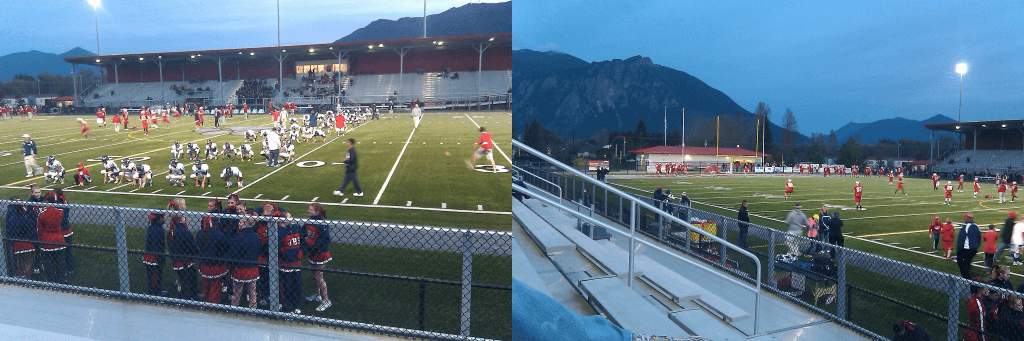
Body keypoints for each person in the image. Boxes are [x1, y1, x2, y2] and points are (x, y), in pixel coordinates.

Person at [227, 205, 261, 308]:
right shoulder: (257, 236)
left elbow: (232, 253)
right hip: (253, 268)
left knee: (237, 292)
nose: (239, 223)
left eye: (241, 222)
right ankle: (252, 309)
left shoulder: (239, 238)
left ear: (246, 223)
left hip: (240, 268)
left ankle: (234, 307)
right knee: (252, 293)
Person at [197, 199, 229, 305]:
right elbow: (224, 248)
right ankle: (212, 306)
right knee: (215, 287)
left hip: (204, 263)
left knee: (205, 285)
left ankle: (205, 303)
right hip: (216, 264)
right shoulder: (219, 235)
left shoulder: (199, 233)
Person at [167, 198, 199, 300]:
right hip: (185, 259)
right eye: (184, 205)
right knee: (187, 280)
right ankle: (186, 298)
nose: (185, 206)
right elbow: (192, 247)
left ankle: (186, 293)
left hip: (176, 258)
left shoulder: (172, 229)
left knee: (185, 277)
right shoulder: (184, 232)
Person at [303, 203, 333, 312]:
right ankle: (317, 295)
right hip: (312, 253)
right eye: (309, 209)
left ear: (317, 212)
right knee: (314, 275)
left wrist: (312, 242)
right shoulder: (309, 221)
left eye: (311, 209)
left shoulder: (321, 224)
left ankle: (326, 300)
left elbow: (326, 240)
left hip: (320, 253)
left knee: (319, 276)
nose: (309, 211)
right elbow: (303, 232)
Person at [274, 211, 304, 313]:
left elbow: (303, 241)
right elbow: (276, 246)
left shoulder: (296, 228)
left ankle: (296, 305)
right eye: (289, 217)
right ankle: (287, 306)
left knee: (297, 285)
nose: (292, 218)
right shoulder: (279, 231)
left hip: (296, 263)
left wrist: (300, 252)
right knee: (286, 286)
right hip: (285, 264)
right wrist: (284, 254)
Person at [37, 192, 67, 284]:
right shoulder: (60, 212)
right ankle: (62, 279)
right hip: (59, 239)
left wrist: (40, 240)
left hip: (46, 241)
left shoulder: (42, 214)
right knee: (60, 261)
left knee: (48, 262)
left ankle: (50, 280)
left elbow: (40, 230)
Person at [6, 197, 36, 280]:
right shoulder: (27, 220)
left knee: (19, 261)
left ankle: (19, 277)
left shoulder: (12, 219)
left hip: (17, 243)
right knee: (28, 262)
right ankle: (28, 278)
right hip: (27, 243)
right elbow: (31, 233)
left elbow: (11, 232)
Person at [143, 213, 167, 296]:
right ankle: (155, 293)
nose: (165, 218)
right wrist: (160, 258)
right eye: (164, 217)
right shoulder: (158, 229)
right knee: (155, 276)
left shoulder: (153, 226)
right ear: (160, 218)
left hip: (150, 254)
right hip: (154, 256)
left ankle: (155, 292)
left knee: (152, 275)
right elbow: (156, 245)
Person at [957, 214, 982, 279]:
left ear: (968, 218)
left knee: (962, 262)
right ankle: (967, 275)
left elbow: (961, 238)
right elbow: (979, 237)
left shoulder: (965, 226)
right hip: (974, 248)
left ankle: (965, 277)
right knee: (968, 262)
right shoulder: (976, 226)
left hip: (966, 248)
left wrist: (959, 249)